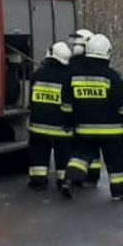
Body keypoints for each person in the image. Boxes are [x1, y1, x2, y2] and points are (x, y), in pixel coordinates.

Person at [64, 33, 123, 201]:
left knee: (81, 154)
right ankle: (120, 191)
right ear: (106, 53)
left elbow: (66, 101)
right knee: (117, 161)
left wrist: (69, 120)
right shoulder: (111, 76)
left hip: (84, 128)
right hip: (111, 131)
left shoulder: (74, 75)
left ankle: (71, 178)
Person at [27, 41, 75, 192]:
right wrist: (70, 120)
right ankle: (62, 179)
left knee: (39, 152)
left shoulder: (37, 74)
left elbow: (31, 100)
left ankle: (38, 179)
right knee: (63, 153)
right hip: (60, 126)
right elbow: (68, 103)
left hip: (38, 125)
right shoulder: (68, 76)